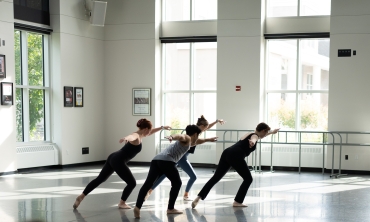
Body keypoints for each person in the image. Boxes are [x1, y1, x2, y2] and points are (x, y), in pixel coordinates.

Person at [72, 119, 171, 209]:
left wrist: (162, 127)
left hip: (113, 157)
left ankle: (81, 196)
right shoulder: (136, 136)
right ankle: (122, 203)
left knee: (100, 179)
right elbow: (131, 136)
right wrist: (126, 138)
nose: (150, 132)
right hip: (118, 160)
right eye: (149, 130)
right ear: (145, 129)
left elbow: (150, 132)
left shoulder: (141, 134)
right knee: (132, 183)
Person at [191, 122, 279, 208]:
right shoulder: (254, 136)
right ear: (263, 131)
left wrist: (272, 132)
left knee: (216, 177)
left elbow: (258, 136)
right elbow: (254, 138)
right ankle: (238, 201)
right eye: (266, 132)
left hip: (227, 152)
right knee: (248, 179)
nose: (266, 134)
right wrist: (252, 142)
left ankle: (198, 197)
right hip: (236, 155)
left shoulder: (250, 133)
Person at [145, 115, 224, 201]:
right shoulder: (193, 134)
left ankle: (150, 190)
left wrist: (216, 121)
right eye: (205, 128)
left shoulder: (195, 132)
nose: (206, 129)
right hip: (181, 158)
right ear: (201, 126)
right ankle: (185, 195)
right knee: (192, 176)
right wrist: (172, 136)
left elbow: (205, 130)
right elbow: (180, 136)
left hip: (179, 157)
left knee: (164, 174)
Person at [133, 124, 202, 218]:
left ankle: (137, 207)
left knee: (148, 183)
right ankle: (170, 208)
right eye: (198, 135)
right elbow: (179, 136)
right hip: (167, 161)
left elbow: (198, 142)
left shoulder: (188, 142)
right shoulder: (187, 138)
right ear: (195, 134)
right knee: (177, 183)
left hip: (156, 160)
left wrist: (208, 140)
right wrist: (171, 136)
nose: (198, 137)